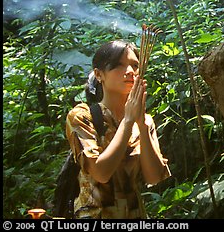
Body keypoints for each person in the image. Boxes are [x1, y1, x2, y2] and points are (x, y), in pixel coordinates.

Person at [65, 40, 171, 218]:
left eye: (135, 66)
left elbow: (153, 177)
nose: (130, 72)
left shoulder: (145, 121)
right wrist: (128, 121)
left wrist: (141, 126)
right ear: (99, 75)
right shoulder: (82, 116)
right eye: (118, 66)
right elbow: (101, 173)